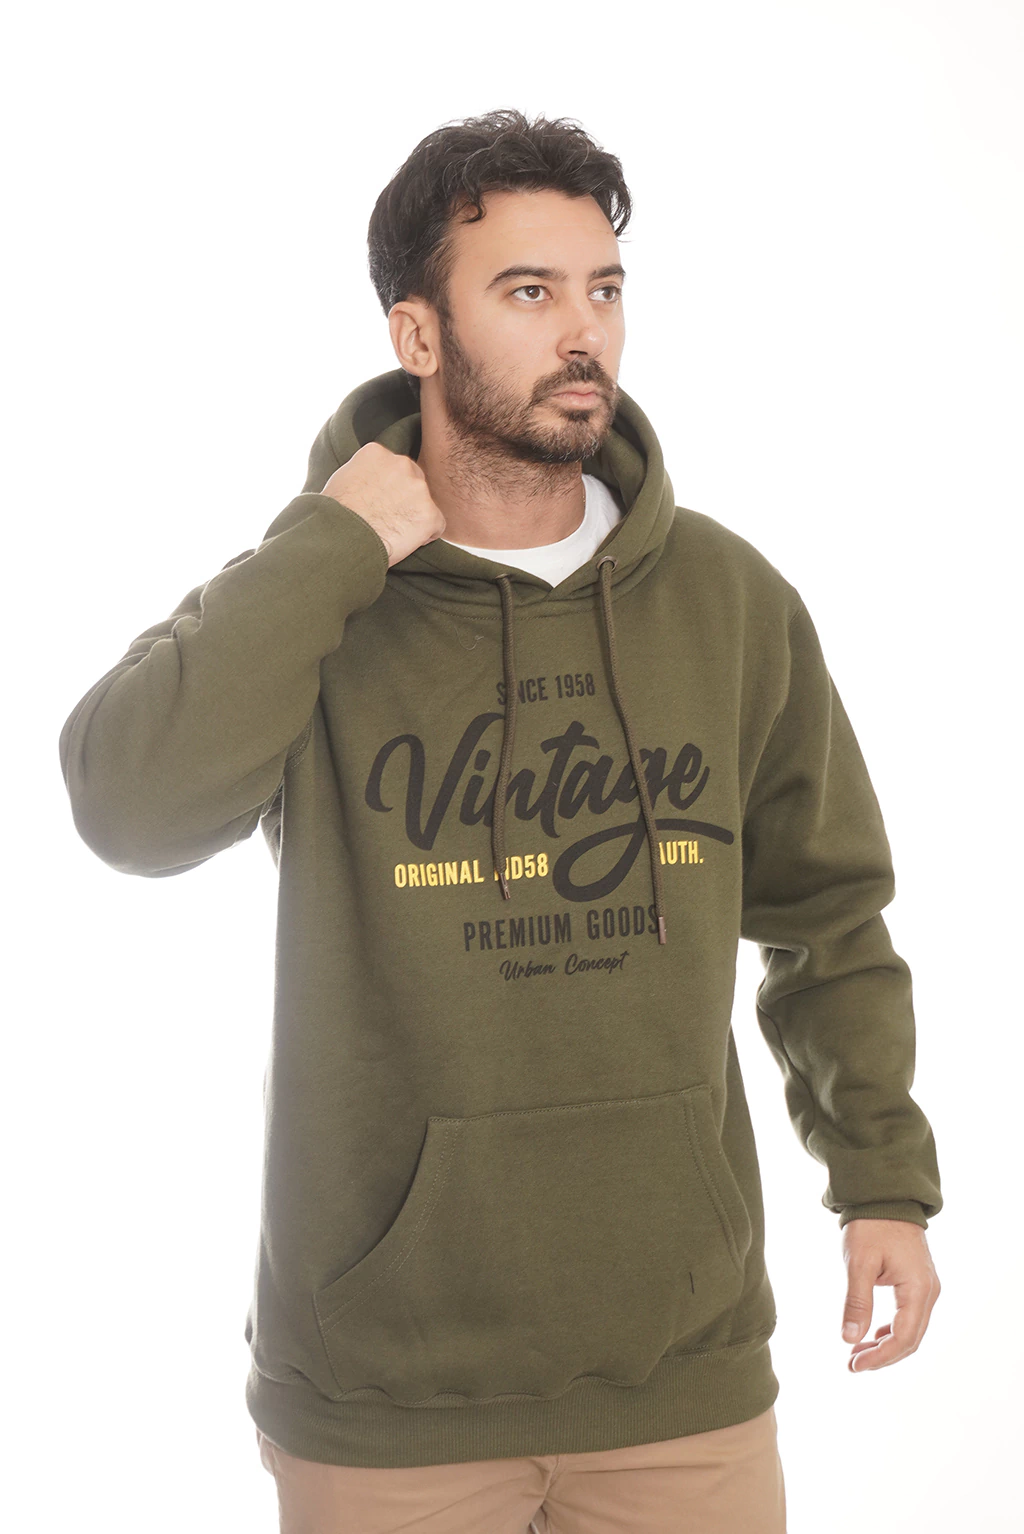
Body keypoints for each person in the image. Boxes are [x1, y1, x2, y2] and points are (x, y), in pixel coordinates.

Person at [58, 108, 943, 1533]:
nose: (583, 333)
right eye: (529, 292)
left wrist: (881, 1181)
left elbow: (828, 911)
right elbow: (127, 809)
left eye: (604, 288)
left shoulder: (727, 601)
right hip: (385, 1397)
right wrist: (331, 542)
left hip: (681, 1373)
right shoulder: (314, 601)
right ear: (417, 334)